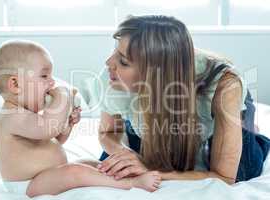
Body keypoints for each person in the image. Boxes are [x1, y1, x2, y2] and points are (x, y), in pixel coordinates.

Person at [97, 15, 270, 184]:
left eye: (124, 61)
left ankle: (255, 138)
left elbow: (224, 177)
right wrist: (127, 155)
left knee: (245, 169)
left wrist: (152, 172)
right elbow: (108, 132)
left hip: (214, 100)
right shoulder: (114, 75)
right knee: (117, 164)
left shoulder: (225, 86)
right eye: (115, 51)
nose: (108, 62)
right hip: (152, 108)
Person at [0, 40, 162, 197]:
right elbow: (47, 130)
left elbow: (53, 140)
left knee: (92, 164)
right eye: (44, 77)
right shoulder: (12, 116)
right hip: (28, 184)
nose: (52, 83)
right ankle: (132, 183)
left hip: (47, 175)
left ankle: (123, 173)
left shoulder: (27, 115)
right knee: (75, 172)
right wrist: (63, 96)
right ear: (15, 85)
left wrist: (67, 125)